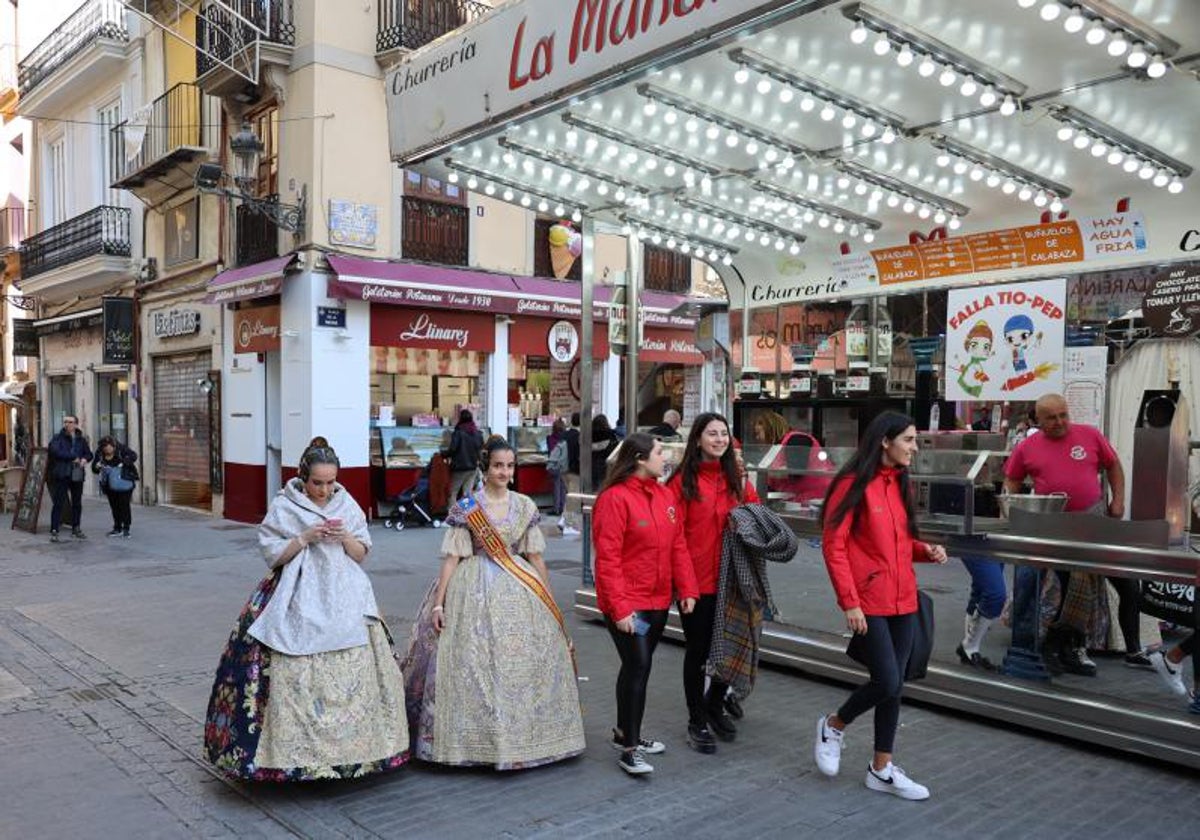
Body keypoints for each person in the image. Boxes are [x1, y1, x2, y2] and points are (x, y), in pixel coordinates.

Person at [203, 442, 409, 781]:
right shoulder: (285, 506)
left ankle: (359, 753)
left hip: (347, 595)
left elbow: (360, 555)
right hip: (295, 595)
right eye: (317, 483)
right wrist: (305, 537)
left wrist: (345, 537)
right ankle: (288, 758)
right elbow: (273, 555)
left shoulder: (347, 503)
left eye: (330, 482)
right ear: (303, 477)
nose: (325, 490)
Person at [402, 436, 585, 769]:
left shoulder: (525, 506)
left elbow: (535, 556)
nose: (504, 471)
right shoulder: (467, 507)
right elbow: (451, 558)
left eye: (510, 465)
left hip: (520, 584)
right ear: (485, 468)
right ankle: (473, 743)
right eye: (498, 465)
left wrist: (549, 598)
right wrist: (439, 604)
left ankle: (525, 740)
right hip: (472, 588)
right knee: (473, 663)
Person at [814, 412, 948, 801]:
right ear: (884, 442)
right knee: (886, 680)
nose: (915, 447)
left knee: (895, 687)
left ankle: (882, 768)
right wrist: (849, 602)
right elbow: (833, 546)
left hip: (904, 598)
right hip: (868, 602)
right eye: (909, 439)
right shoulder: (853, 485)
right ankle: (834, 724)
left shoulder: (899, 484)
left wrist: (926, 550)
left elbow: (901, 543)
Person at [593, 433, 698, 775]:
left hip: (658, 600)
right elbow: (607, 560)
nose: (664, 457)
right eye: (659, 452)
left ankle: (626, 731)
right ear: (639, 458)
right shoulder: (614, 499)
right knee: (638, 665)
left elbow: (678, 546)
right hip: (628, 605)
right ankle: (630, 748)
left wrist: (687, 589)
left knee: (639, 666)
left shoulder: (665, 495)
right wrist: (620, 608)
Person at [1004, 393, 1127, 676]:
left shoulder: (1090, 435)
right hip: (1049, 524)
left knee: (1084, 587)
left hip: (1090, 521)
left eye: (1063, 415)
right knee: (1048, 585)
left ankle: (1072, 646)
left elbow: (1114, 466)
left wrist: (1118, 500)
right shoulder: (1027, 447)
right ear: (1038, 420)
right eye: (1052, 417)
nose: (1060, 422)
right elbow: (1012, 479)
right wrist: (1012, 512)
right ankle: (1035, 643)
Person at [669, 412, 760, 754]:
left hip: (733, 579)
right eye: (712, 434)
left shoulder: (736, 477)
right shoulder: (682, 481)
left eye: (724, 434)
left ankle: (714, 702)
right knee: (699, 652)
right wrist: (684, 586)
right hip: (698, 583)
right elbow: (674, 537)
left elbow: (755, 512)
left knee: (732, 647)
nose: (719, 440)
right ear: (698, 439)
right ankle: (696, 719)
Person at [47, 415, 93, 542]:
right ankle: (54, 529)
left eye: (70, 422)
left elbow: (89, 454)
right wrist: (73, 457)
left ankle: (76, 528)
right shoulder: (57, 438)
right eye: (65, 422)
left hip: (77, 473)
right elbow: (55, 451)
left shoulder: (81, 440)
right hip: (63, 474)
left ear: (76, 424)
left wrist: (85, 459)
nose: (67, 424)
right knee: (59, 503)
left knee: (77, 503)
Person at [90, 436, 138, 538]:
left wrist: (123, 463)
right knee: (114, 506)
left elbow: (134, 456)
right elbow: (94, 468)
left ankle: (126, 528)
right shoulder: (99, 453)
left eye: (109, 446)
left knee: (124, 505)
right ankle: (117, 527)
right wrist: (97, 466)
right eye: (105, 447)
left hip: (124, 482)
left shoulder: (121, 449)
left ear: (113, 445)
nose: (107, 449)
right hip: (109, 484)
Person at [447, 409, 484, 501]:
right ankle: (467, 514)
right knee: (467, 493)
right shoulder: (477, 433)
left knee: (452, 492)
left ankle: (453, 514)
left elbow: (453, 449)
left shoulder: (458, 432)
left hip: (460, 467)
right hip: (473, 467)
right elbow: (481, 448)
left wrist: (442, 455)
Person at [559, 412, 583, 537]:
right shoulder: (580, 437)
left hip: (563, 469)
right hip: (575, 471)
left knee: (570, 496)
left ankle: (563, 519)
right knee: (573, 499)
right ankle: (569, 525)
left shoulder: (564, 434)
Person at [590, 414, 621, 491]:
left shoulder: (588, 435)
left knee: (592, 488)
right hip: (605, 466)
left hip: (591, 465)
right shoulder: (611, 434)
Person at [546, 417, 569, 516]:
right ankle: (562, 507)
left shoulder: (550, 438)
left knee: (556, 486)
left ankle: (556, 509)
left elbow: (550, 451)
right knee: (563, 487)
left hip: (555, 465)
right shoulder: (566, 438)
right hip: (564, 465)